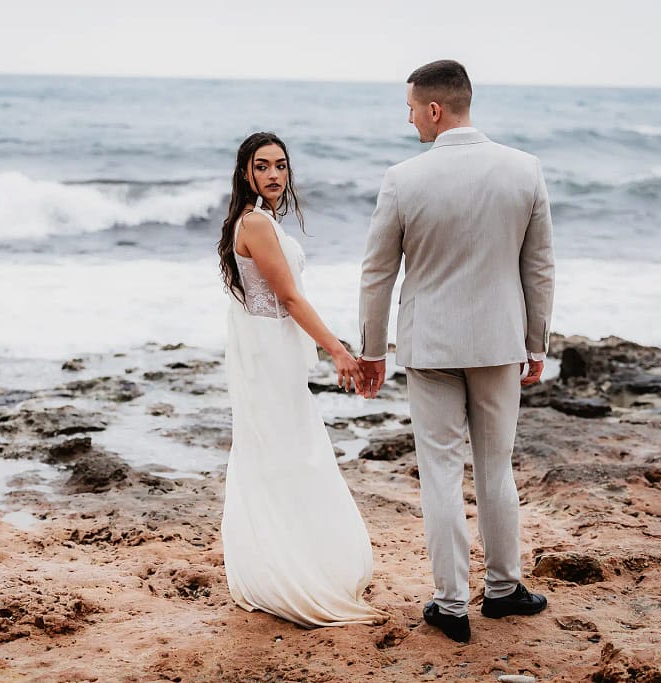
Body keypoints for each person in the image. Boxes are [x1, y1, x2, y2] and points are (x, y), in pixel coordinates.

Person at [357, 60, 555, 643]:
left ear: (436, 110)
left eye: (413, 106)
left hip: (430, 345)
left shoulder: (403, 179)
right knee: (496, 468)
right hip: (498, 343)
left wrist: (372, 350)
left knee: (440, 473)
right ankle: (502, 590)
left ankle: (449, 605)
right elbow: (538, 268)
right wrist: (536, 342)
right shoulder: (524, 170)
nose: (409, 116)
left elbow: (377, 273)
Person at [218, 131, 387, 628]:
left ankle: (291, 559)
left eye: (282, 166)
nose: (274, 174)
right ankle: (287, 570)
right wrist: (338, 350)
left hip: (274, 354)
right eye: (264, 165)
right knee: (287, 455)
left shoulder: (257, 221)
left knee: (284, 454)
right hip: (268, 357)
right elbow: (289, 299)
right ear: (246, 172)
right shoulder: (256, 224)